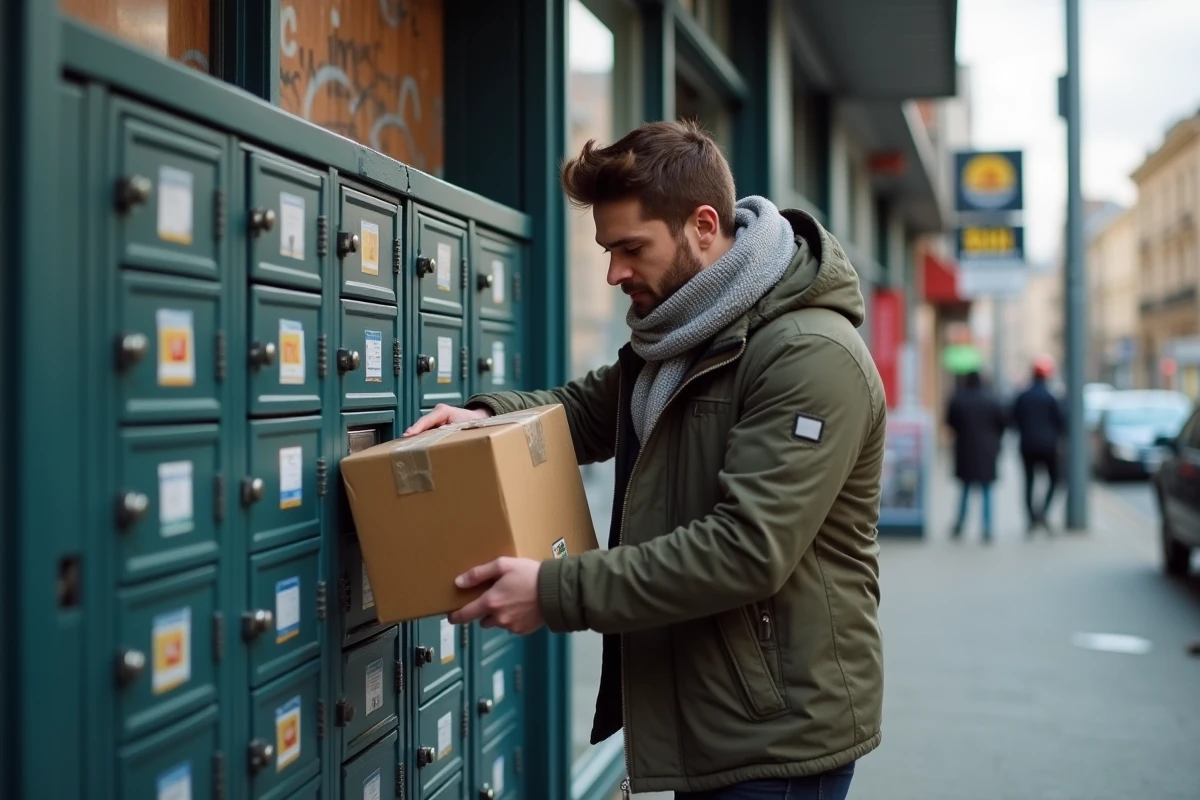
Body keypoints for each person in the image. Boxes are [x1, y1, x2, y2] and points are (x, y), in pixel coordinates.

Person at [404, 121, 886, 798]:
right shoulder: (687, 328)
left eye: (631, 249)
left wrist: (554, 590)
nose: (614, 274)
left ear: (704, 225)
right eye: (607, 251)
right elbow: (585, 411)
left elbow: (746, 550)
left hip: (776, 735)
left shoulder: (810, 355)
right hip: (711, 712)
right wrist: (487, 417)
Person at [945, 370, 1008, 542]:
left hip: (965, 450)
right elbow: (1003, 423)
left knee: (965, 489)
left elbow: (950, 422)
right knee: (987, 490)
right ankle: (987, 528)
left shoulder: (959, 399)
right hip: (987, 451)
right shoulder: (992, 400)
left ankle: (959, 525)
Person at [1010, 355, 1066, 533]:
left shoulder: (1023, 396)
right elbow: (1061, 421)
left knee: (1029, 483)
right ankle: (1042, 513)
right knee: (1055, 480)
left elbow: (1013, 419)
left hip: (1027, 445)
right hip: (1048, 446)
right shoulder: (1051, 397)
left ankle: (1032, 518)